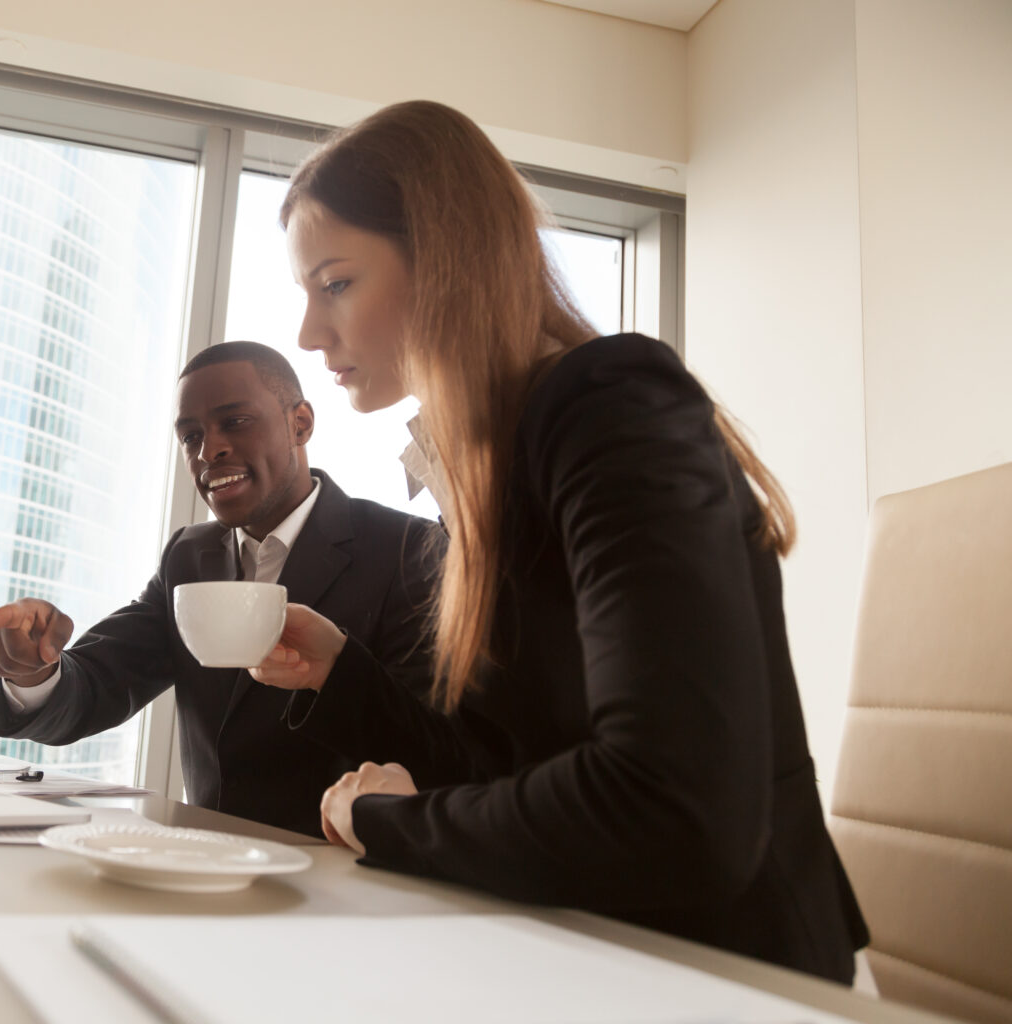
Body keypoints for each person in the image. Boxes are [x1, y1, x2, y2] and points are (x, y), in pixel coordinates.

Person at [250, 100, 870, 982]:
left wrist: (392, 823)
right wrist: (344, 670)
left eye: (336, 283)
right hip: (587, 949)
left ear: (445, 260)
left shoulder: (611, 405)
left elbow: (674, 811)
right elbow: (508, 766)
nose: (310, 333)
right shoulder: (492, 459)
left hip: (723, 973)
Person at [0, 341, 484, 836]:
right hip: (206, 871)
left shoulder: (409, 549)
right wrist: (35, 670)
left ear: (299, 424)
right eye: (190, 436)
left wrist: (333, 674)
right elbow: (98, 683)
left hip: (339, 883)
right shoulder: (187, 557)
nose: (208, 449)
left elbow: (442, 751)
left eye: (234, 422)